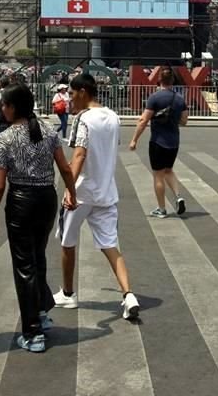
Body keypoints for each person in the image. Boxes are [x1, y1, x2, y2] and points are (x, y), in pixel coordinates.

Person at [0, 84, 76, 354]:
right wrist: (72, 192)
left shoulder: (5, 138)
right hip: (46, 198)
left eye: (5, 105)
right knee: (38, 256)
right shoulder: (48, 131)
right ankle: (41, 312)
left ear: (13, 107)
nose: (2, 109)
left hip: (21, 201)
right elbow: (65, 167)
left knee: (24, 265)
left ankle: (32, 331)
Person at [53, 73, 140, 322]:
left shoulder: (83, 119)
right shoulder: (113, 116)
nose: (69, 99)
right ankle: (128, 295)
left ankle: (68, 293)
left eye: (71, 94)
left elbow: (79, 155)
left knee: (67, 242)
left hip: (82, 191)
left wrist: (69, 189)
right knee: (111, 246)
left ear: (82, 91)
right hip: (106, 191)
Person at [128, 69, 189, 219]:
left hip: (158, 141)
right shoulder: (180, 99)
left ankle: (161, 209)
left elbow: (143, 120)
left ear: (160, 80)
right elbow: (184, 121)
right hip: (174, 141)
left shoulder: (155, 98)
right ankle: (178, 196)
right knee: (169, 170)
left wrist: (134, 139)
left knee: (158, 175)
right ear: (173, 81)